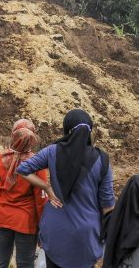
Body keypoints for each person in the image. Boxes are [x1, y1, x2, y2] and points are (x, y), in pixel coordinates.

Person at [17, 109, 115, 268]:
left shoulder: (52, 151)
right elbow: (108, 205)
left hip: (56, 232)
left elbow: (22, 169)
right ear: (89, 131)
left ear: (66, 129)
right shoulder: (102, 160)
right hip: (86, 236)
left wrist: (47, 187)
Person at [0, 119, 48, 268]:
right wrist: (42, 228)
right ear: (32, 138)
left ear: (13, 135)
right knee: (25, 263)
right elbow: (41, 200)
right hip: (25, 220)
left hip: (2, 215)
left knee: (1, 262)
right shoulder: (37, 164)